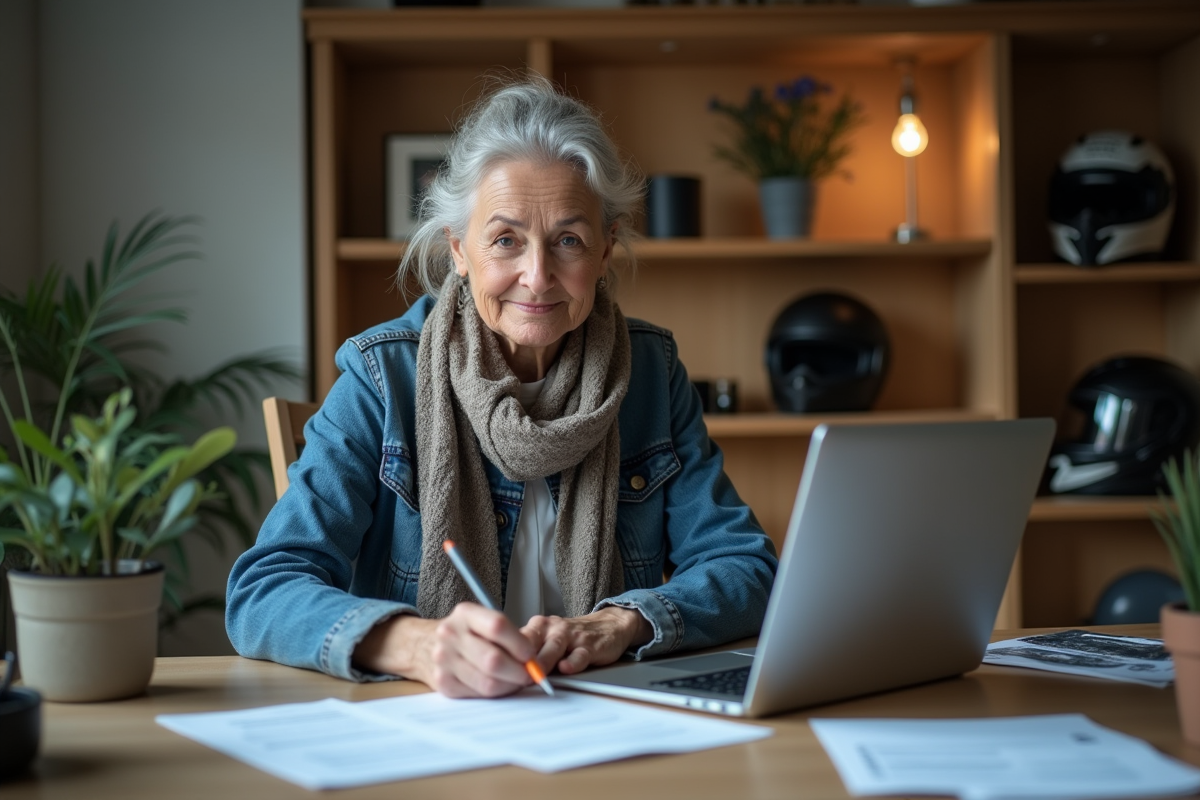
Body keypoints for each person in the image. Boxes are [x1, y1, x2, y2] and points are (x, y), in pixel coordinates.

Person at [226, 77, 778, 698]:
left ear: (605, 251)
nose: (537, 276)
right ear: (459, 250)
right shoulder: (381, 376)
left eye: (568, 240)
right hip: (426, 723)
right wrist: (416, 644)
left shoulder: (651, 372)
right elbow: (264, 590)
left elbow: (747, 569)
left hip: (597, 715)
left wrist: (623, 623)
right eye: (505, 240)